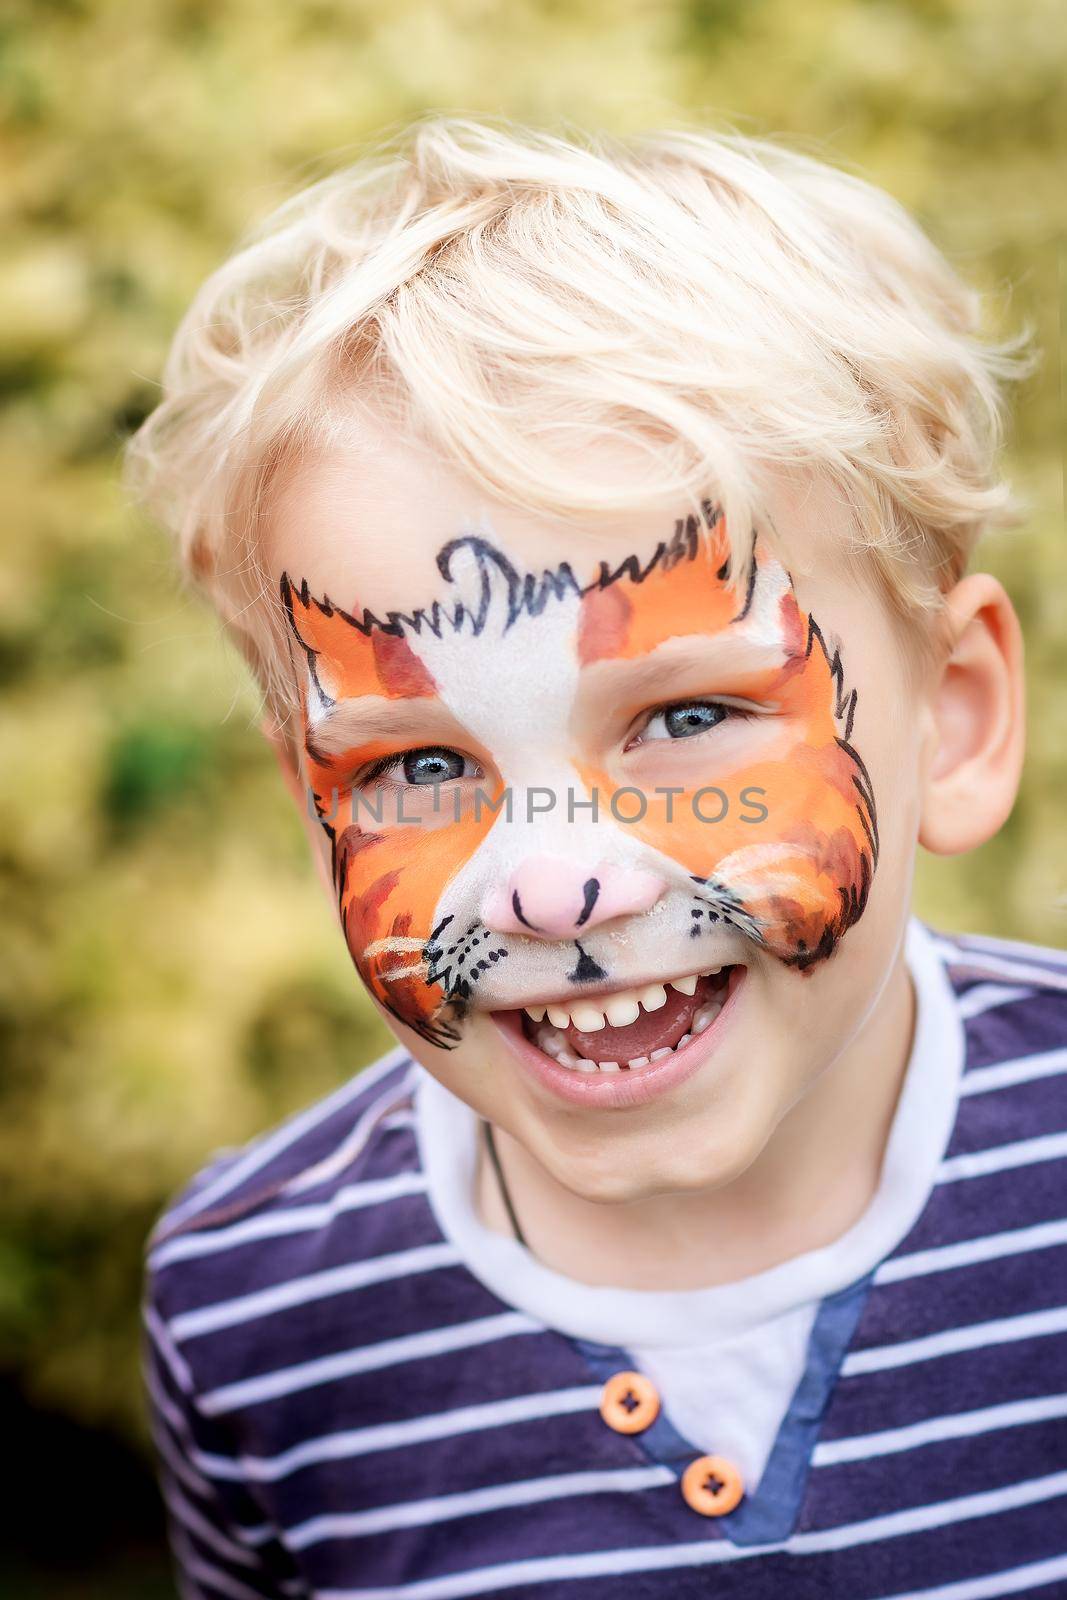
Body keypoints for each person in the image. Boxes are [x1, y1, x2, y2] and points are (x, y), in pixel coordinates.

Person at [126, 117, 1067, 1598]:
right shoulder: (257, 1315)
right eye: (418, 766)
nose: (554, 885)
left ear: (954, 720)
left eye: (687, 715)